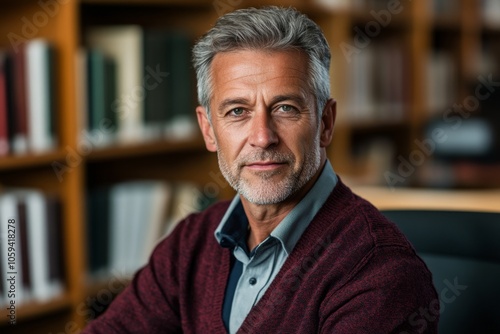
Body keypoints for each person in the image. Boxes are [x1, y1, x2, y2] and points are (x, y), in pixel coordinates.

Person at [83, 6, 439, 333]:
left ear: (326, 123)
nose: (262, 137)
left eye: (285, 108)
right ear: (209, 129)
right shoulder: (190, 243)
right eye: (237, 111)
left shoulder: (381, 274)